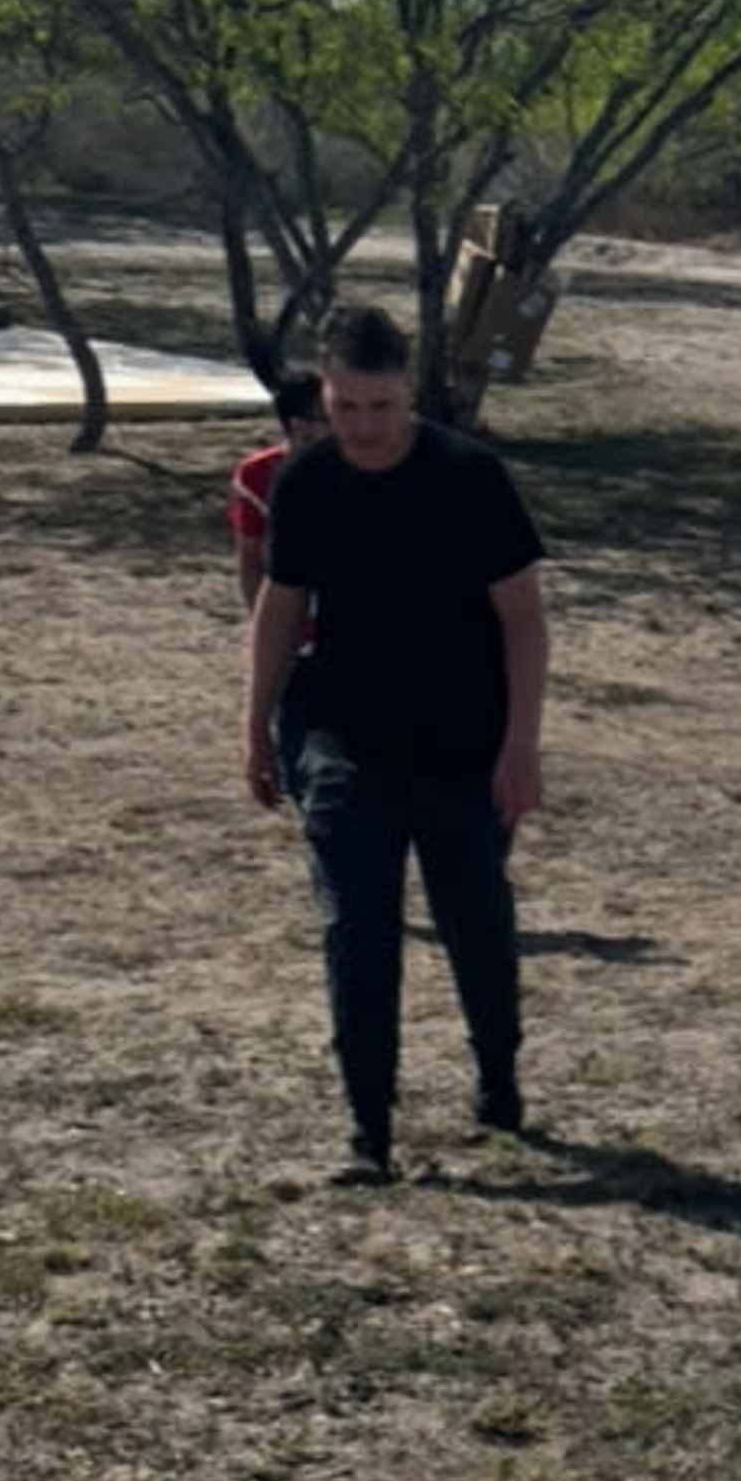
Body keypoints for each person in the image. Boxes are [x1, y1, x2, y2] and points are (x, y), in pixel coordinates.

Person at [243, 304, 549, 1184]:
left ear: (410, 392)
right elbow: (281, 608)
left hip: (464, 739)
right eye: (346, 408)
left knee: (474, 921)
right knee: (358, 928)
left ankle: (498, 1080)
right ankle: (368, 1132)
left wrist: (521, 745)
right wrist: (254, 723)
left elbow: (524, 620)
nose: (364, 427)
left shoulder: (471, 478)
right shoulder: (305, 484)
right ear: (322, 397)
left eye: (380, 407)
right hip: (343, 733)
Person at [227, 365, 323, 615]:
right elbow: (251, 560)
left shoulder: (362, 462)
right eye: (328, 417)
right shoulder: (256, 476)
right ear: (299, 425)